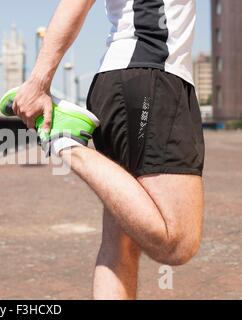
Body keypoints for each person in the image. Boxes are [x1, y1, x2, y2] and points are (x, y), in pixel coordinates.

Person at [12, 0, 205, 300]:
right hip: (150, 74)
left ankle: (65, 140)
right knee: (176, 242)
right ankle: (64, 141)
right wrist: (39, 82)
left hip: (132, 79)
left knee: (121, 244)